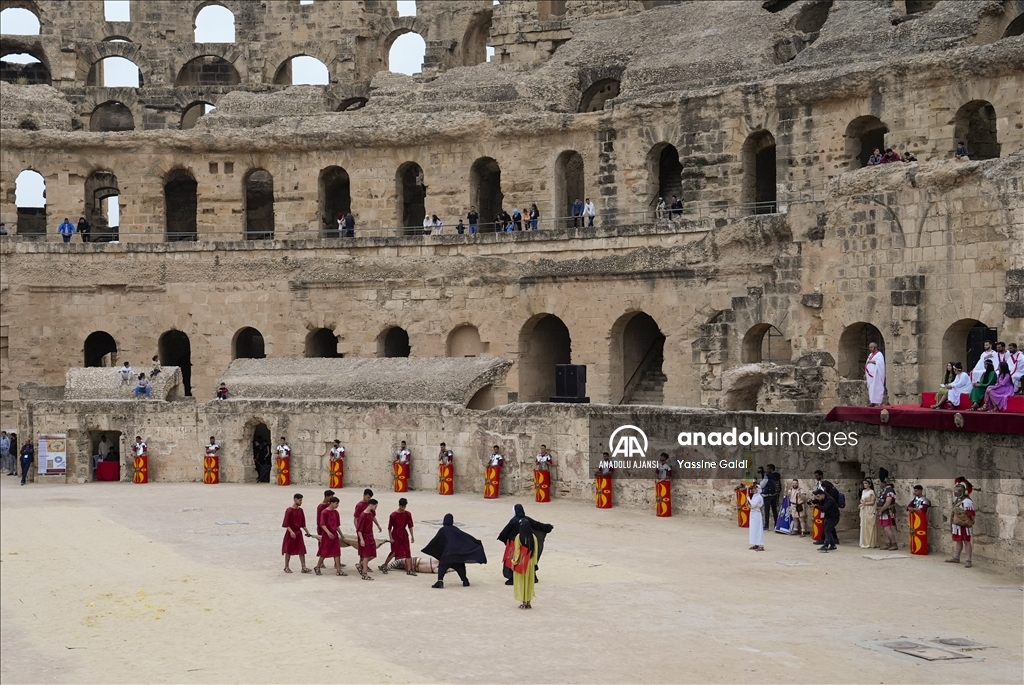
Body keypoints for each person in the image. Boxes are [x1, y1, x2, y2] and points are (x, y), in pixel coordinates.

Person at [421, 513, 487, 588]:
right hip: (457, 553)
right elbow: (465, 537)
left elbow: (436, 540)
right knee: (460, 566)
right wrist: (476, 542)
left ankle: (440, 581)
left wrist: (428, 548)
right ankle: (465, 581)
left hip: (448, 553)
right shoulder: (455, 529)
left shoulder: (443, 530)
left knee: (442, 565)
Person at [497, 503, 553, 585]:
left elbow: (504, 532)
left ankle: (512, 578)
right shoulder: (527, 519)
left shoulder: (514, 521)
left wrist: (506, 541)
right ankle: (533, 576)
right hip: (527, 543)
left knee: (513, 560)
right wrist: (547, 527)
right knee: (528, 559)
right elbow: (537, 525)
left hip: (515, 544)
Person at [380, 498, 415, 575]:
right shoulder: (393, 515)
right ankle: (385, 565)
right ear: (399, 505)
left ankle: (409, 570)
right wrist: (391, 538)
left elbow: (410, 526)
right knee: (394, 552)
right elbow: (389, 528)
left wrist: (412, 535)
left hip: (404, 534)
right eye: (402, 506)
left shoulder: (408, 514)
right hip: (395, 534)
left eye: (404, 507)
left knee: (407, 551)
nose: (403, 508)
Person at [946, 481, 975, 567]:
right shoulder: (957, 500)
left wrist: (971, 522)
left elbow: (972, 514)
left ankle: (968, 560)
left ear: (962, 491)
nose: (955, 492)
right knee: (958, 541)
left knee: (967, 541)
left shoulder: (967, 501)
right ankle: (956, 557)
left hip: (965, 524)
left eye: (957, 490)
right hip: (957, 524)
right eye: (955, 490)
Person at [281, 493, 312, 574]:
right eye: (300, 500)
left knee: (302, 550)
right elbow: (286, 524)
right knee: (288, 550)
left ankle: (303, 567)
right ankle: (286, 566)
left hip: (298, 533)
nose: (301, 502)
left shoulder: (300, 510)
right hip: (291, 533)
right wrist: (291, 532)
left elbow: (302, 524)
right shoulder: (289, 510)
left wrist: (307, 532)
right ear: (295, 500)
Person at [315, 497, 346, 576]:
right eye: (336, 503)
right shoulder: (324, 512)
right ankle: (317, 566)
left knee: (337, 552)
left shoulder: (336, 513)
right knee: (324, 552)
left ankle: (338, 570)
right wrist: (328, 532)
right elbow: (322, 524)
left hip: (334, 535)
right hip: (327, 535)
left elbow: (337, 525)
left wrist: (341, 534)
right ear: (331, 503)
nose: (337, 505)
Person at [511, 519, 537, 609]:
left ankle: (523, 602)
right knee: (529, 582)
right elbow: (535, 551)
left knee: (522, 582)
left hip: (522, 562)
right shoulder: (533, 537)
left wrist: (514, 562)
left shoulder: (518, 537)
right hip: (530, 562)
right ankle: (529, 602)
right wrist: (534, 563)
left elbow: (517, 551)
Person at [356, 498, 380, 580]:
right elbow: (359, 530)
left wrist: (378, 525)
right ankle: (364, 573)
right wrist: (362, 540)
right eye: (375, 507)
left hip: (370, 536)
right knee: (366, 556)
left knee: (373, 554)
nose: (375, 509)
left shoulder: (370, 514)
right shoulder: (363, 515)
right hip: (365, 537)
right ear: (371, 505)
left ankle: (361, 565)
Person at [312, 489, 335, 573]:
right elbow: (320, 521)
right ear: (326, 497)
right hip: (323, 528)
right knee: (323, 545)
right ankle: (321, 563)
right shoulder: (321, 507)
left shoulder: (330, 505)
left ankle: (336, 562)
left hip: (330, 528)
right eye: (331, 497)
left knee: (333, 544)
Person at [875, 472, 898, 551]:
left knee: (887, 529)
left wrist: (881, 510)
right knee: (885, 528)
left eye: (881, 482)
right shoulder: (884, 490)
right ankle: (888, 543)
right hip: (883, 511)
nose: (880, 484)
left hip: (888, 512)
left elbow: (888, 503)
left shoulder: (890, 490)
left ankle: (894, 543)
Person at [858, 478, 878, 549]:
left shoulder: (871, 492)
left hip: (869, 509)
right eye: (864, 483)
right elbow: (862, 500)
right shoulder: (863, 491)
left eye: (866, 483)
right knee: (864, 525)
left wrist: (864, 503)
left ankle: (870, 542)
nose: (864, 485)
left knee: (869, 525)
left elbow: (872, 502)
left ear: (870, 484)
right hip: (864, 509)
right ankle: (864, 541)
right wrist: (861, 503)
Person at [864, 341, 885, 406]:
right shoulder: (870, 355)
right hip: (870, 376)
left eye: (871, 347)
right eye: (869, 347)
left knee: (877, 388)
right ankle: (872, 402)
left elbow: (880, 363)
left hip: (877, 375)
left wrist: (872, 361)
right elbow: (867, 364)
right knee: (871, 388)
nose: (870, 348)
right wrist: (865, 373)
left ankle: (878, 402)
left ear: (875, 348)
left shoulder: (879, 354)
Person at [761, 464, 781, 530]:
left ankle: (766, 525)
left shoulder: (767, 476)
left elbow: (762, 485)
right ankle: (776, 524)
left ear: (770, 469)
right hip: (775, 495)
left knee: (766, 511)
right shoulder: (777, 475)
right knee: (774, 510)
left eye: (767, 469)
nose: (766, 470)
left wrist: (764, 476)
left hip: (767, 495)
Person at [747, 484, 764, 551]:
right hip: (753, 513)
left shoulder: (759, 497)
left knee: (758, 529)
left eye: (755, 488)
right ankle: (756, 543)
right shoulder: (754, 496)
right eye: (753, 489)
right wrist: (748, 505)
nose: (754, 490)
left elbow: (754, 505)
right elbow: (752, 506)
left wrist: (748, 499)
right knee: (753, 529)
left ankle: (761, 545)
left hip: (757, 514)